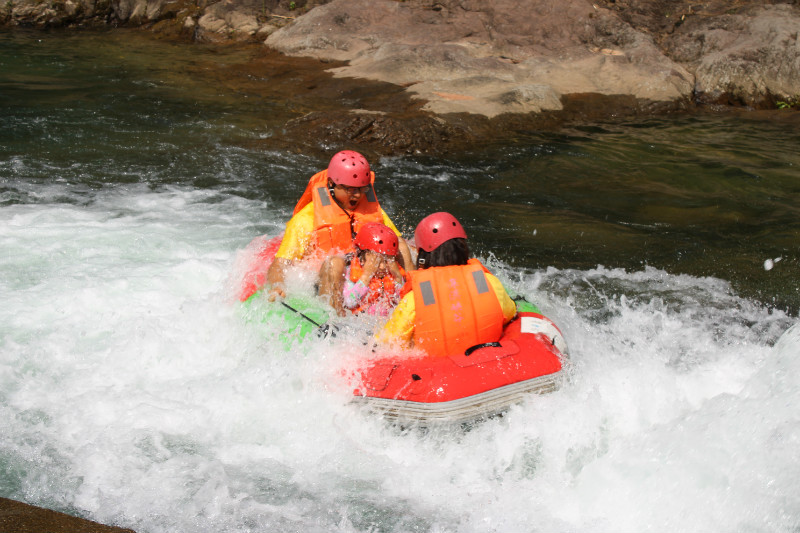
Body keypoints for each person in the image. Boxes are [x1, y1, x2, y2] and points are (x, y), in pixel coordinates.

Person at [266, 150, 413, 301]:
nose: (357, 195)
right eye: (350, 189)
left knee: (400, 244)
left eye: (363, 188)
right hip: (324, 281)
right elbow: (280, 264)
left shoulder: (372, 209)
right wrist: (277, 286)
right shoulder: (306, 219)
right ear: (331, 184)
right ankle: (335, 318)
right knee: (335, 263)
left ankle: (412, 293)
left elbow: (398, 242)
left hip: (362, 273)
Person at [378, 212, 517, 357]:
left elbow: (387, 343)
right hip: (489, 361)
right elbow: (510, 312)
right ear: (463, 248)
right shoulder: (488, 282)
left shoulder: (416, 299)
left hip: (438, 372)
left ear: (423, 257)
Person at [327, 222, 407, 317]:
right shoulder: (351, 274)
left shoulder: (392, 275)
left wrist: (398, 277)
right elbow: (349, 302)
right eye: (377, 262)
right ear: (362, 259)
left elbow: (402, 301)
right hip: (359, 322)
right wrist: (366, 276)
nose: (382, 267)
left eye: (386, 261)